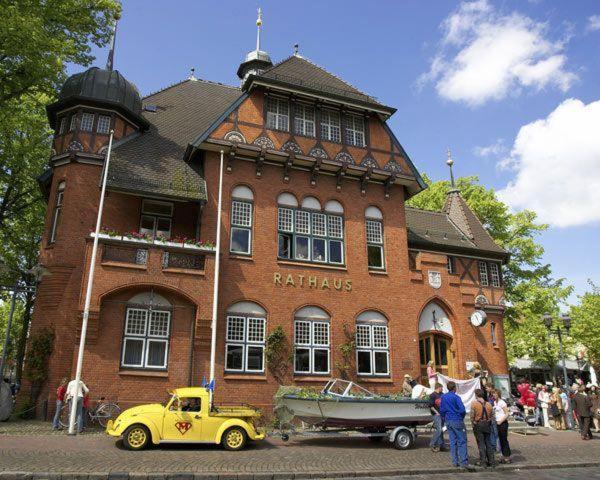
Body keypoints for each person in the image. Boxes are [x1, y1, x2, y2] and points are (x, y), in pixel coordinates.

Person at [440, 381, 470, 470]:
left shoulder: (444, 397)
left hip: (448, 420)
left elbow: (442, 410)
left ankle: (455, 461)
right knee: (462, 441)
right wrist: (461, 417)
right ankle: (463, 462)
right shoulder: (456, 397)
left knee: (452, 441)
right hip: (457, 419)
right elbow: (462, 410)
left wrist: (444, 418)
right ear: (454, 388)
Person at [470, 388, 496, 468]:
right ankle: (491, 462)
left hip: (478, 424)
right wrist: (489, 421)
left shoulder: (474, 403)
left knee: (481, 444)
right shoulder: (489, 404)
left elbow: (472, 416)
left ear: (476, 395)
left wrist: (473, 423)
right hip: (487, 424)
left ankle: (483, 462)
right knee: (488, 443)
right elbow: (492, 416)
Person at [493, 389, 512, 464]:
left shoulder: (502, 402)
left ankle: (507, 456)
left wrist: (501, 421)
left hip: (502, 423)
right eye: (493, 394)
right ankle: (504, 456)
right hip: (497, 423)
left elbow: (507, 413)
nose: (494, 395)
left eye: (495, 394)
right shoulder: (495, 402)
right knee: (500, 440)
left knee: (504, 440)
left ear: (498, 394)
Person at [429, 383, 445, 452]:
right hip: (436, 415)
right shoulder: (432, 395)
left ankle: (441, 446)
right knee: (439, 430)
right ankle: (432, 444)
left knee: (441, 430)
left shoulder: (442, 394)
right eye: (441, 387)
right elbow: (431, 406)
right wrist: (436, 412)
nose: (442, 389)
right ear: (438, 387)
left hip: (442, 414)